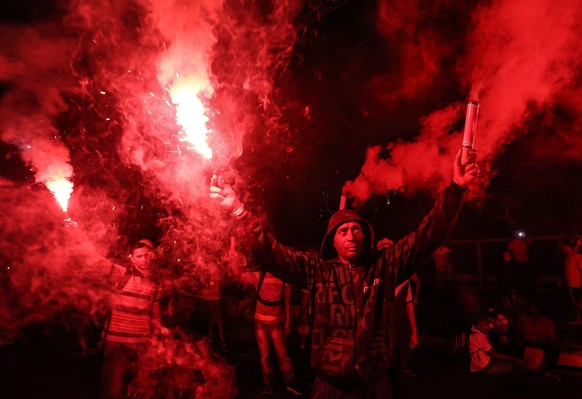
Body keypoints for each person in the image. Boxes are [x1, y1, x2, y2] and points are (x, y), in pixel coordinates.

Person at [210, 150, 479, 398]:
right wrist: (238, 211)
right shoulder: (316, 271)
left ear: (365, 235)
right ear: (332, 241)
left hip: (374, 386)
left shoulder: (385, 267)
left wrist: (456, 188)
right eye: (343, 231)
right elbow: (270, 252)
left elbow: (427, 236)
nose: (351, 235)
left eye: (356, 229)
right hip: (329, 388)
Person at [100, 239, 164, 399]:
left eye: (147, 256)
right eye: (140, 256)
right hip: (118, 342)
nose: (144, 260)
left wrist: (156, 337)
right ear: (132, 258)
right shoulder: (120, 273)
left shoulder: (156, 283)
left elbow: (155, 314)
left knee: (139, 389)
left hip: (142, 344)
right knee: (113, 391)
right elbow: (94, 263)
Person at [243, 270, 303, 396]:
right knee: (264, 355)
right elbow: (241, 276)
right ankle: (269, 383)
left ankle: (291, 382)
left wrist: (288, 322)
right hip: (260, 321)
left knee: (282, 354)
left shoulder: (283, 278)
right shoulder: (258, 275)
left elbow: (287, 302)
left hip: (276, 323)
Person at [560, 235, 582, 322]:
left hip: (575, 284)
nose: (561, 247)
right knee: (574, 302)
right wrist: (562, 281)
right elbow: (566, 271)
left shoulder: (577, 256)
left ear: (566, 245)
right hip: (570, 283)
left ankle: (579, 320)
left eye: (562, 245)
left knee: (576, 303)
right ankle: (578, 319)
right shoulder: (568, 258)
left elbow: (581, 270)